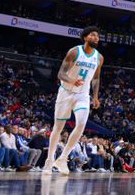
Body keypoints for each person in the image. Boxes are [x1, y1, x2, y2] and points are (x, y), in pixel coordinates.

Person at [42, 26, 104, 175]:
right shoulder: (74, 52)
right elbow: (61, 73)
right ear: (85, 38)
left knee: (81, 124)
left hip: (82, 95)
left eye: (98, 36)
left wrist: (95, 96)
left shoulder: (99, 57)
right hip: (66, 92)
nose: (96, 38)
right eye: (93, 35)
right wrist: (71, 79)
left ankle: (62, 159)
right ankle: (49, 160)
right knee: (58, 128)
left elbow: (95, 78)